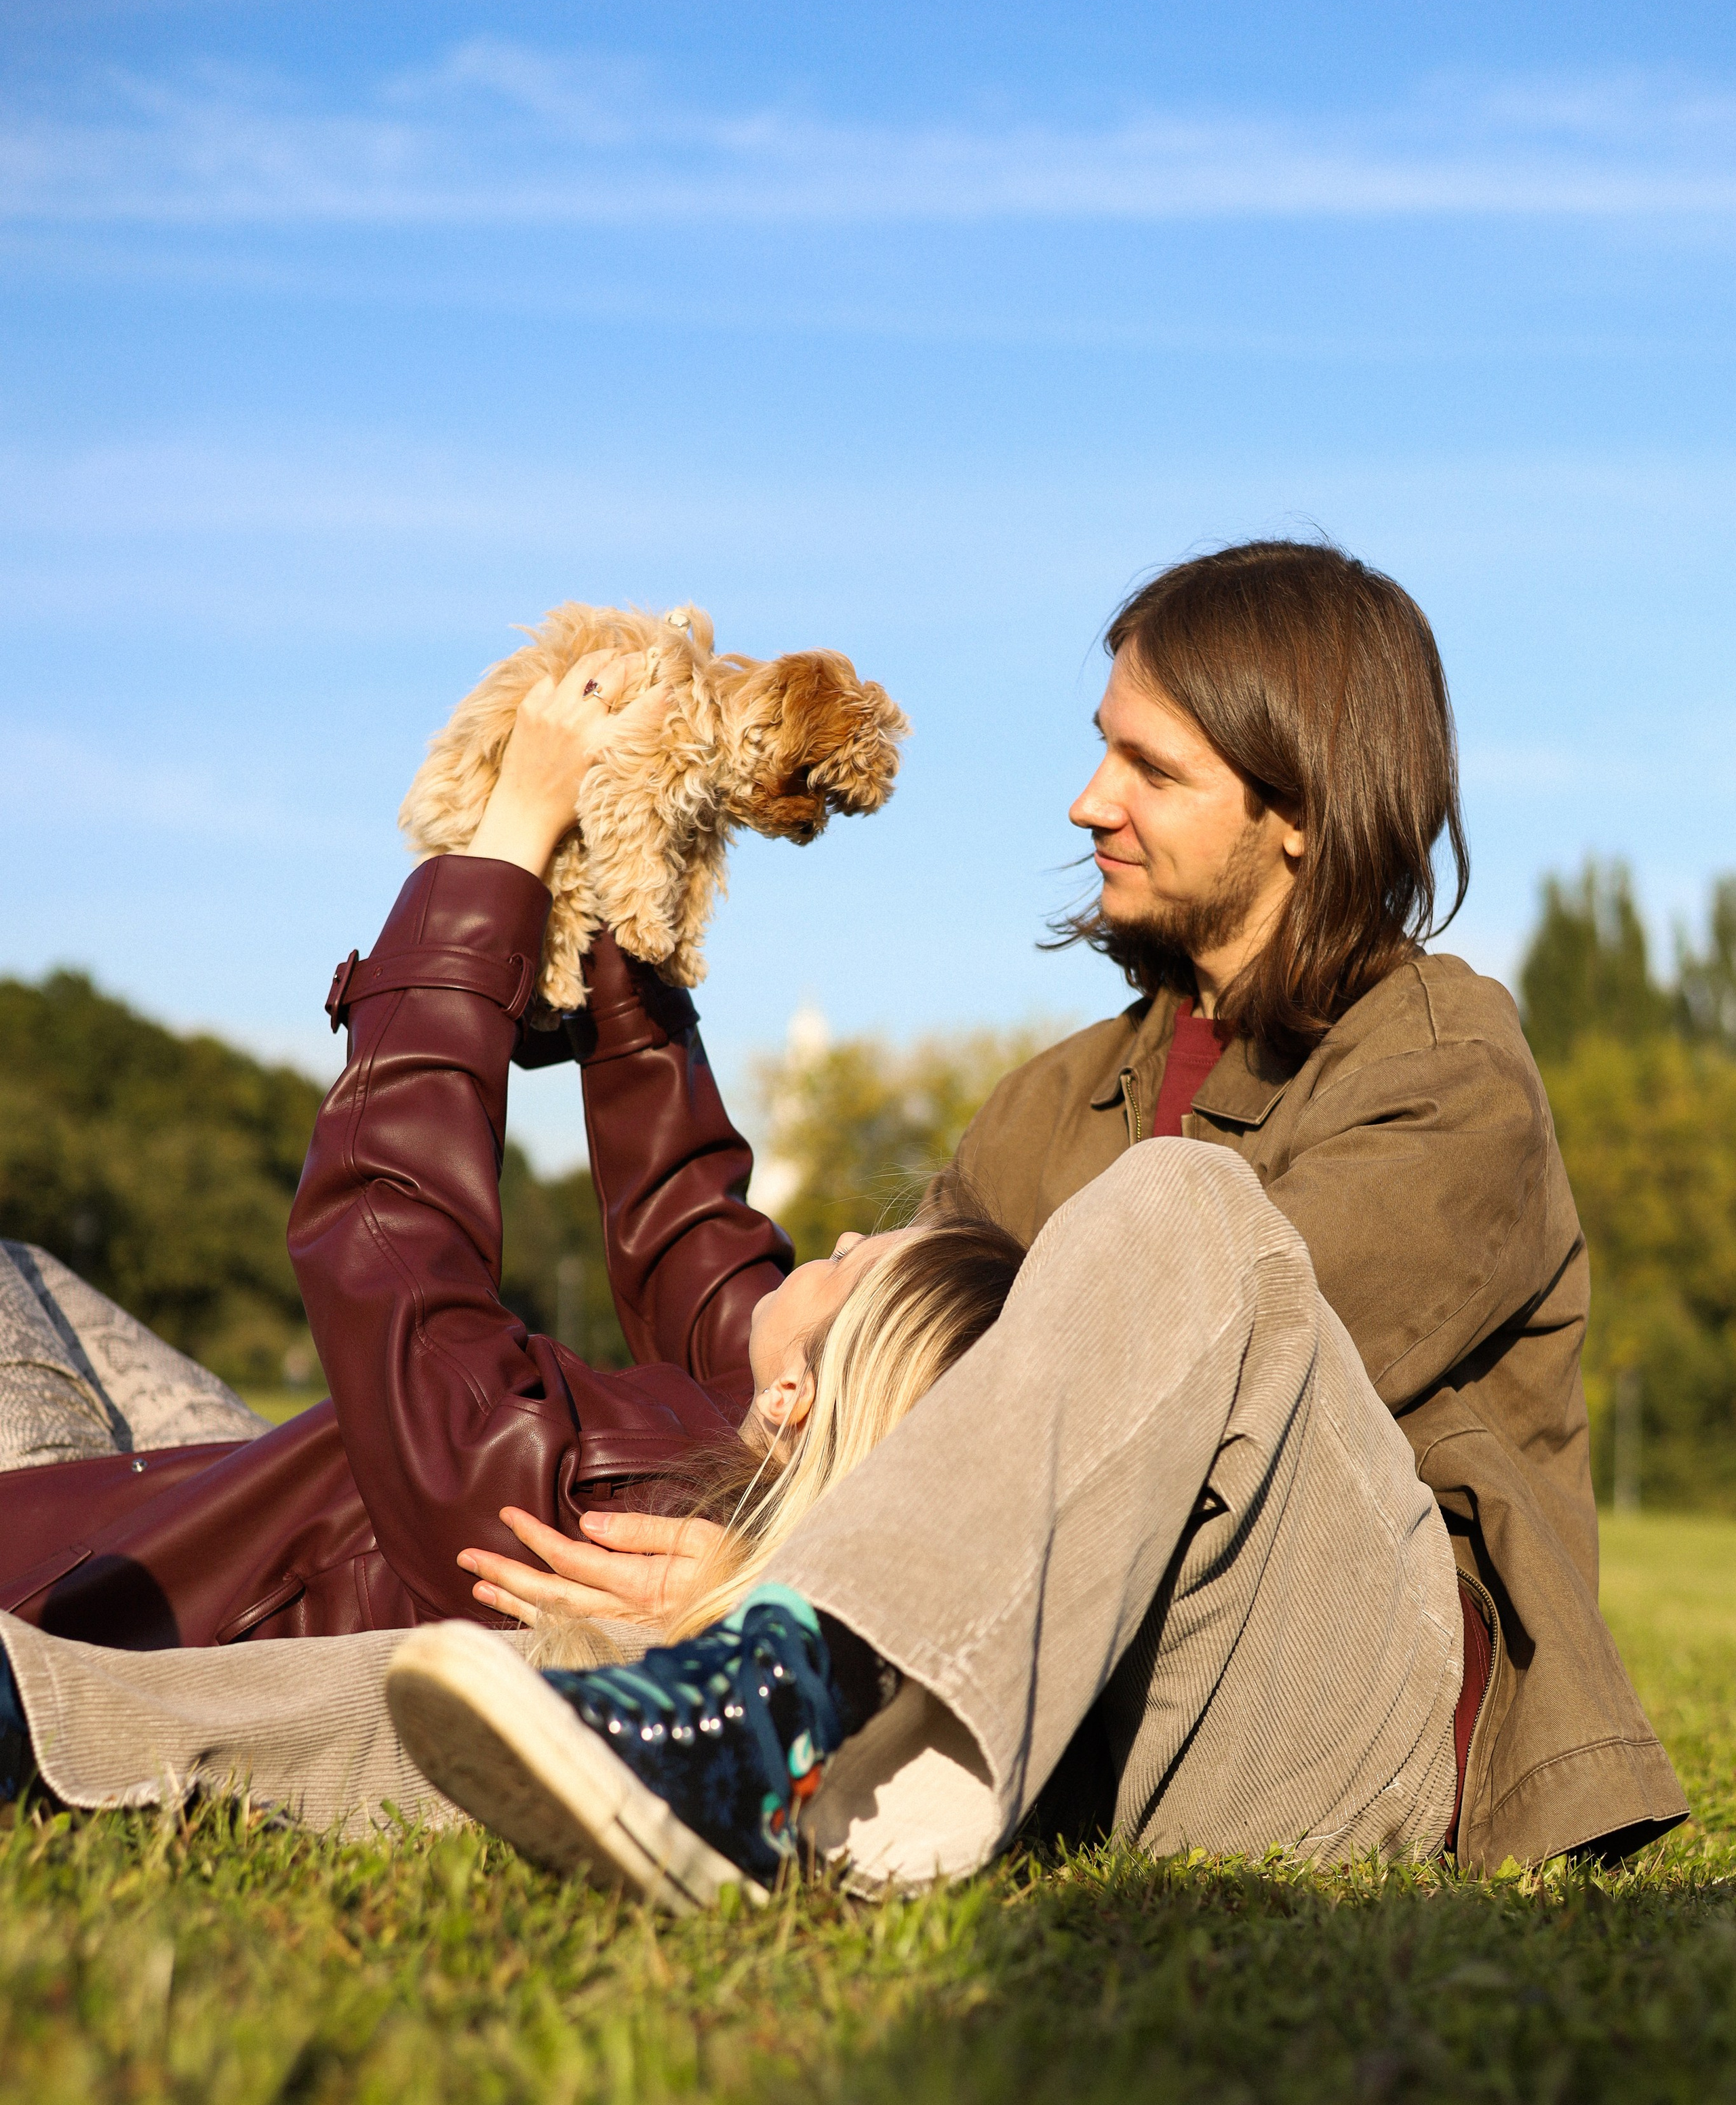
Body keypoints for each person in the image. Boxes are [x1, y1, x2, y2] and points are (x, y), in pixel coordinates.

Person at [381, 540, 1687, 1899]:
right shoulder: (1049, 1105)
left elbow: (1205, 1391)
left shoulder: (1445, 1071)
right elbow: (873, 1378)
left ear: (1301, 810)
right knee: (512, 1674)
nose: (1085, 803)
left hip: (1339, 1728)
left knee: (1192, 1218)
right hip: (1059, 1701)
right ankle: (147, 1717)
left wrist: (802, 1572)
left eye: (1150, 771)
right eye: (1098, 751)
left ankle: (782, 1692)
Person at [0, 649, 1021, 1832]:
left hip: (113, 1588)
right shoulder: (734, 1464)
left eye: (849, 1265)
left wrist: (510, 837)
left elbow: (392, 1232)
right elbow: (689, 1220)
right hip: (258, 1500)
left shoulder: (605, 1515)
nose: (833, 1234)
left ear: (798, 1396)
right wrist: (631, 893)